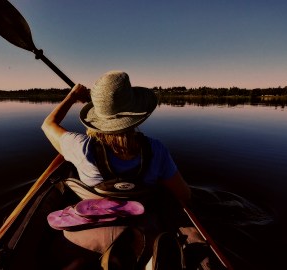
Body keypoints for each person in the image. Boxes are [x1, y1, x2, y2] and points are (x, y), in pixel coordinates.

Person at [41, 70, 192, 268]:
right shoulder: (157, 150)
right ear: (137, 112)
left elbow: (48, 125)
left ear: (97, 116)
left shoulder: (79, 146)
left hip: (91, 231)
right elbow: (184, 195)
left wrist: (72, 96)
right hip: (144, 230)